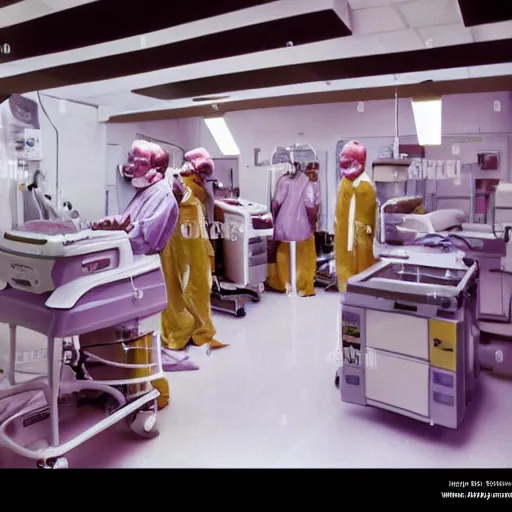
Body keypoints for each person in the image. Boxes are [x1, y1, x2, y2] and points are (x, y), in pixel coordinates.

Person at [92, 139, 179, 410]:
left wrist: (116, 233)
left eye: (139, 163)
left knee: (140, 337)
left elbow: (146, 240)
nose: (131, 168)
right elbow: (133, 223)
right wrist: (111, 225)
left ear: (156, 168)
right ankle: (121, 387)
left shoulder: (163, 195)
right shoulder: (144, 192)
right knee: (122, 335)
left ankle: (152, 394)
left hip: (143, 273)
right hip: (129, 271)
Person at [159, 147, 227, 352]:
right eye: (204, 172)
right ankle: (182, 331)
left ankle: (193, 329)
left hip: (191, 244)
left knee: (194, 287)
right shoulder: (179, 185)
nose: (205, 177)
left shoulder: (194, 187)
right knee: (180, 287)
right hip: (180, 245)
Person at [267, 162, 320, 297]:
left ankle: (282, 284)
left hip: (283, 223)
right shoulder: (309, 183)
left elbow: (276, 203)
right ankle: (301, 286)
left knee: (283, 252)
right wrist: (313, 224)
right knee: (303, 255)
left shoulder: (284, 180)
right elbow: (311, 207)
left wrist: (274, 219)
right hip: (301, 226)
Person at [334, 140, 378, 293]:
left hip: (358, 244)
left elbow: (364, 223)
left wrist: (352, 244)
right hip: (344, 240)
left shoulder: (364, 186)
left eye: (349, 163)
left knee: (359, 282)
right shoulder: (346, 182)